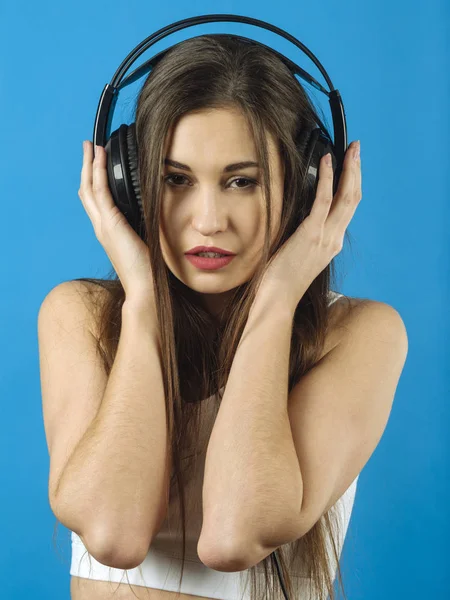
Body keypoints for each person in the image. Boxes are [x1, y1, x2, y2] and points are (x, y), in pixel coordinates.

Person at [38, 34, 408, 600]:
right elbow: (113, 533)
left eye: (242, 181)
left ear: (308, 184)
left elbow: (235, 536)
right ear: (126, 185)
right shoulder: (82, 316)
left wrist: (279, 297)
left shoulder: (361, 334)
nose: (208, 220)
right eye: (175, 179)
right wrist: (143, 301)